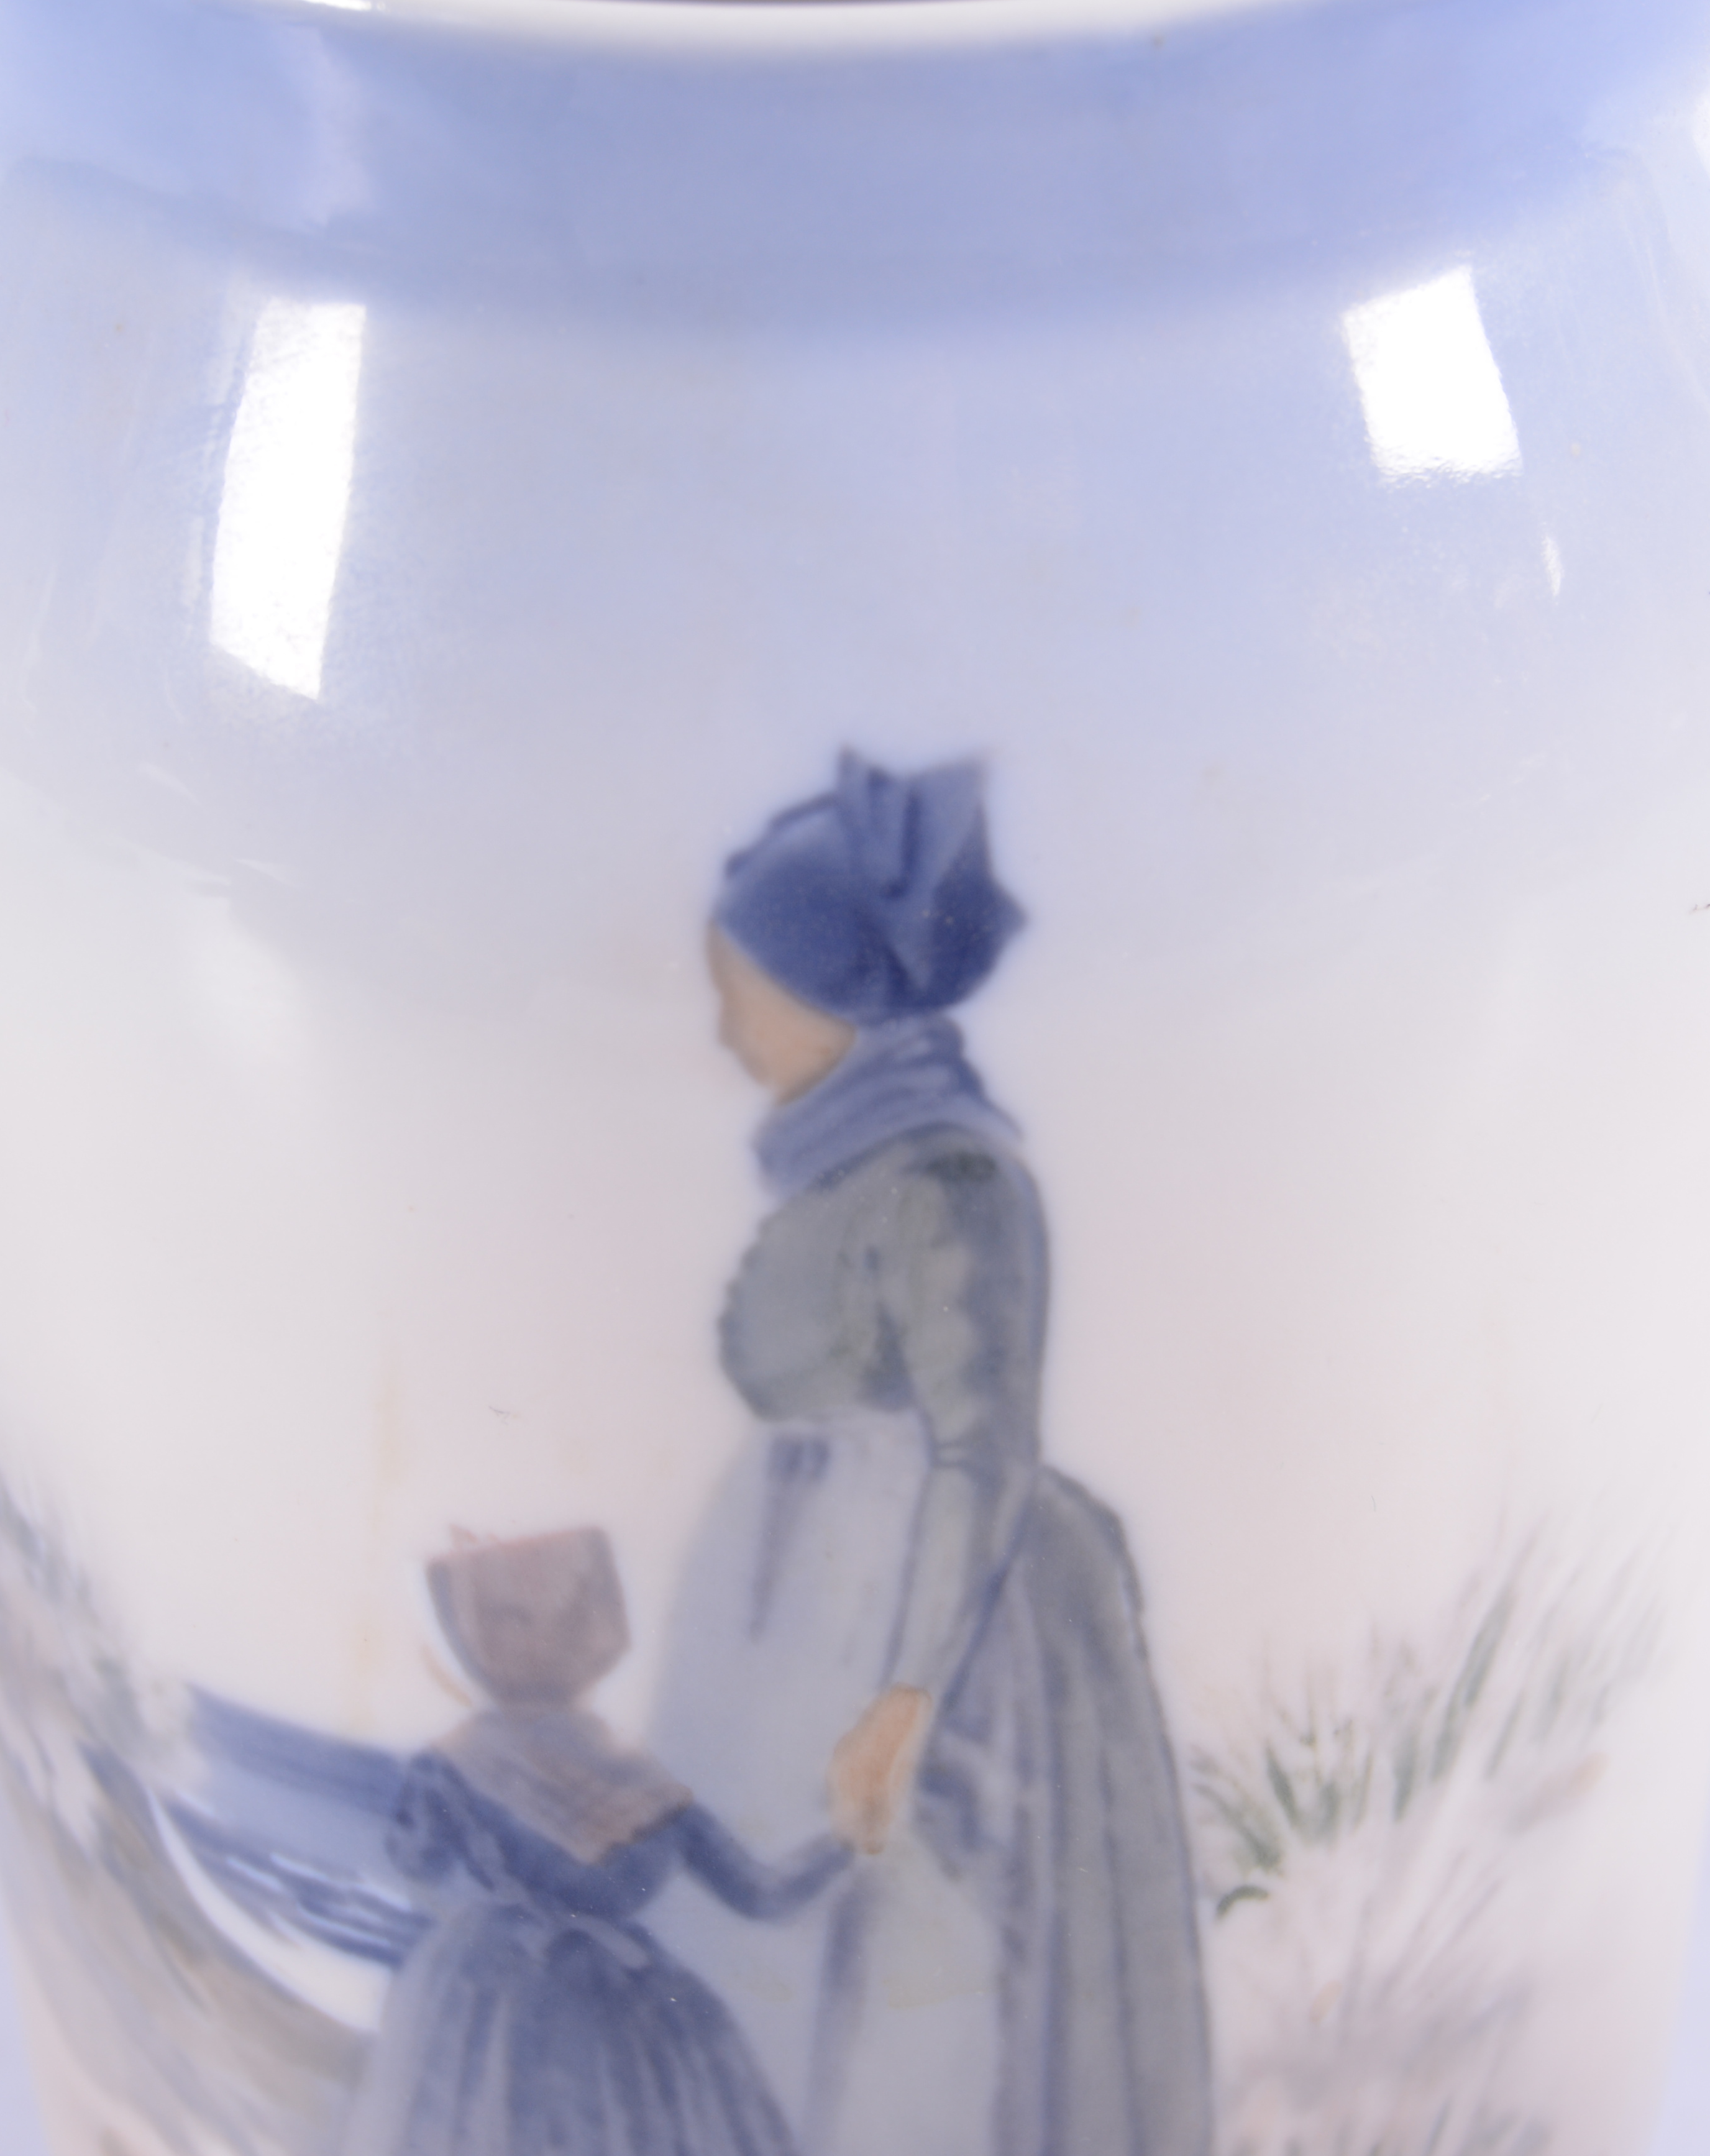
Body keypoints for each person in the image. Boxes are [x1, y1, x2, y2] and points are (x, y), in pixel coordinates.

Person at [645, 753, 1213, 2156]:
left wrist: (905, 1699)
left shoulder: (952, 1179)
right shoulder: (834, 1173)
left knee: (924, 1970)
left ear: (827, 993)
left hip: (943, 1632)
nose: (728, 1030)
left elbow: (982, 1450)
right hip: (801, 1618)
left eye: (745, 992)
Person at [342, 1528, 854, 2156]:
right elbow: (762, 1894)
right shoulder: (481, 1762)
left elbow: (761, 1893)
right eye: (505, 1621)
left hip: (586, 2009)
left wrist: (853, 1835)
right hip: (548, 2007)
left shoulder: (622, 1779)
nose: (530, 1643)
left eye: (554, 1620)